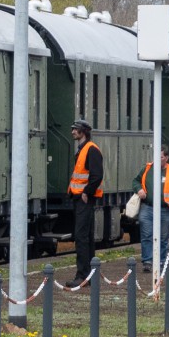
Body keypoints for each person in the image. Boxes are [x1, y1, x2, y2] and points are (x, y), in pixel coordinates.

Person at [66, 120, 104, 285]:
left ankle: (82, 276)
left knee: (81, 237)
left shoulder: (91, 150)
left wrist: (87, 192)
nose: (73, 132)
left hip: (84, 199)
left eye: (75, 129)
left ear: (84, 132)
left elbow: (97, 175)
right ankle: (88, 275)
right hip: (79, 197)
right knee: (85, 236)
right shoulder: (83, 149)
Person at [133, 142, 169, 274]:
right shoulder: (147, 169)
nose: (157, 159)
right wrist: (139, 189)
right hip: (148, 207)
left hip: (165, 209)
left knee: (163, 237)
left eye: (161, 157)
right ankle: (147, 261)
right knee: (146, 235)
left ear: (166, 158)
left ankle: (161, 261)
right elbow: (136, 181)